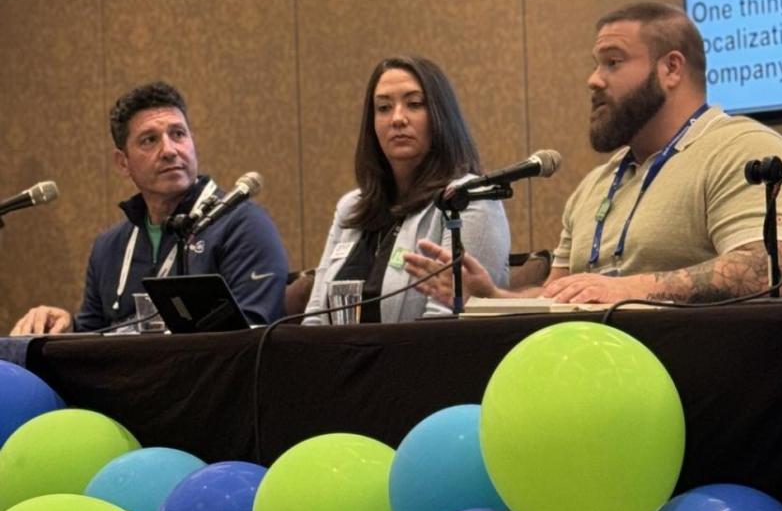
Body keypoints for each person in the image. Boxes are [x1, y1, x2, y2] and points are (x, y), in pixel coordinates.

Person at [405, 2, 782, 307]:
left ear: (671, 69)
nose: (593, 80)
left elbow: (771, 271)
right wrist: (489, 297)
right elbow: (559, 298)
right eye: (597, 65)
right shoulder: (596, 185)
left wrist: (627, 289)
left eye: (613, 62)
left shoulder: (743, 149)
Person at [10, 81, 288, 334]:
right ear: (123, 162)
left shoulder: (242, 225)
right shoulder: (109, 247)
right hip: (119, 385)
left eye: (178, 134)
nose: (169, 150)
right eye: (149, 140)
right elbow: (91, 338)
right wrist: (67, 325)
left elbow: (252, 334)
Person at [304, 55, 509, 324]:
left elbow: (444, 324)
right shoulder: (351, 207)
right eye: (384, 108)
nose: (397, 119)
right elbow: (314, 318)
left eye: (414, 104)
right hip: (338, 363)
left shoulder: (468, 199)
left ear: (440, 116)